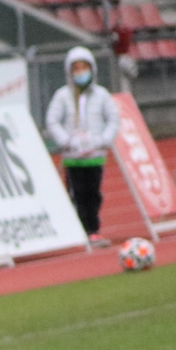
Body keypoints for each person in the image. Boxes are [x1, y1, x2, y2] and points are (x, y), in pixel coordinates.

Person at [44, 45, 121, 243]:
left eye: (83, 67)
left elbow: (113, 119)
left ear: (92, 69)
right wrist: (66, 141)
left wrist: (102, 141)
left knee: (93, 193)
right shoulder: (63, 95)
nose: (80, 72)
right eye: (75, 68)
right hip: (73, 158)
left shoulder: (102, 95)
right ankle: (80, 229)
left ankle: (93, 229)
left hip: (95, 156)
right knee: (76, 194)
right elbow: (52, 120)